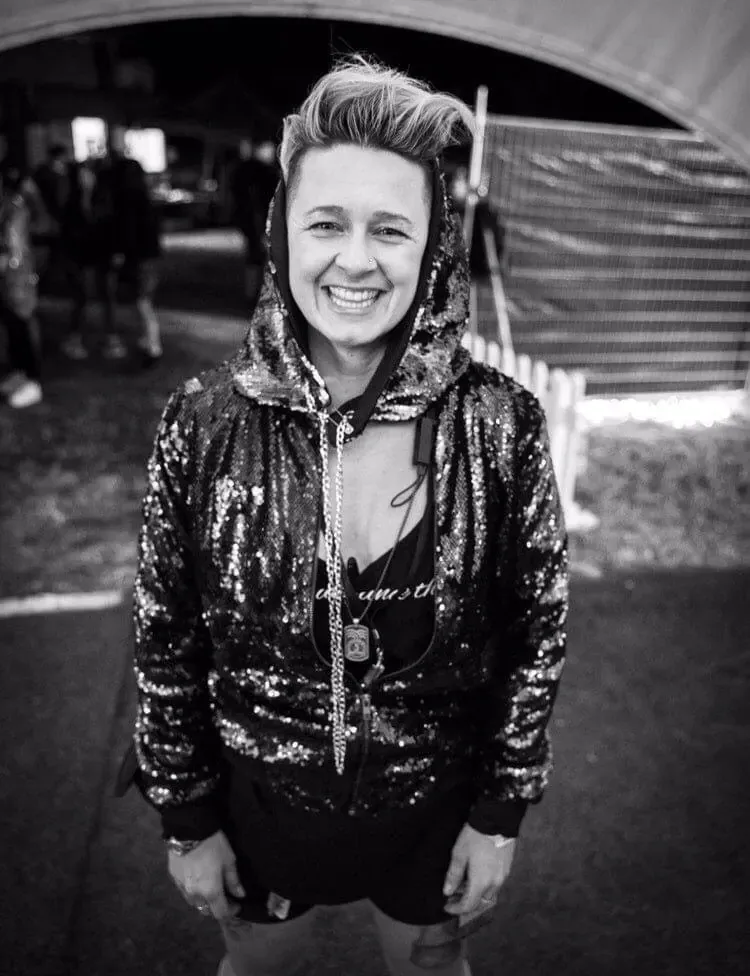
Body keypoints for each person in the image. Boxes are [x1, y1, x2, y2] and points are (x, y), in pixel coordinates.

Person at [125, 57, 568, 976]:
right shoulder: (203, 422)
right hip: (259, 812)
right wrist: (187, 818)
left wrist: (499, 813)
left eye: (390, 229)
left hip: (436, 815)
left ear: (432, 248)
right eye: (326, 223)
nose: (356, 260)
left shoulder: (501, 423)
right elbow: (165, 636)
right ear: (281, 232)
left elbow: (537, 631)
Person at [0, 157, 44, 408]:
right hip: (11, 279)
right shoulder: (10, 204)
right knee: (13, 327)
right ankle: (20, 374)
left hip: (18, 278)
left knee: (22, 325)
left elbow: (13, 246)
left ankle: (32, 381)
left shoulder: (17, 206)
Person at [230, 138, 279, 310]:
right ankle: (260, 295)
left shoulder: (245, 169)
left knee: (256, 256)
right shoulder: (263, 171)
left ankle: (253, 294)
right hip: (259, 220)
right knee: (262, 256)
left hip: (252, 220)